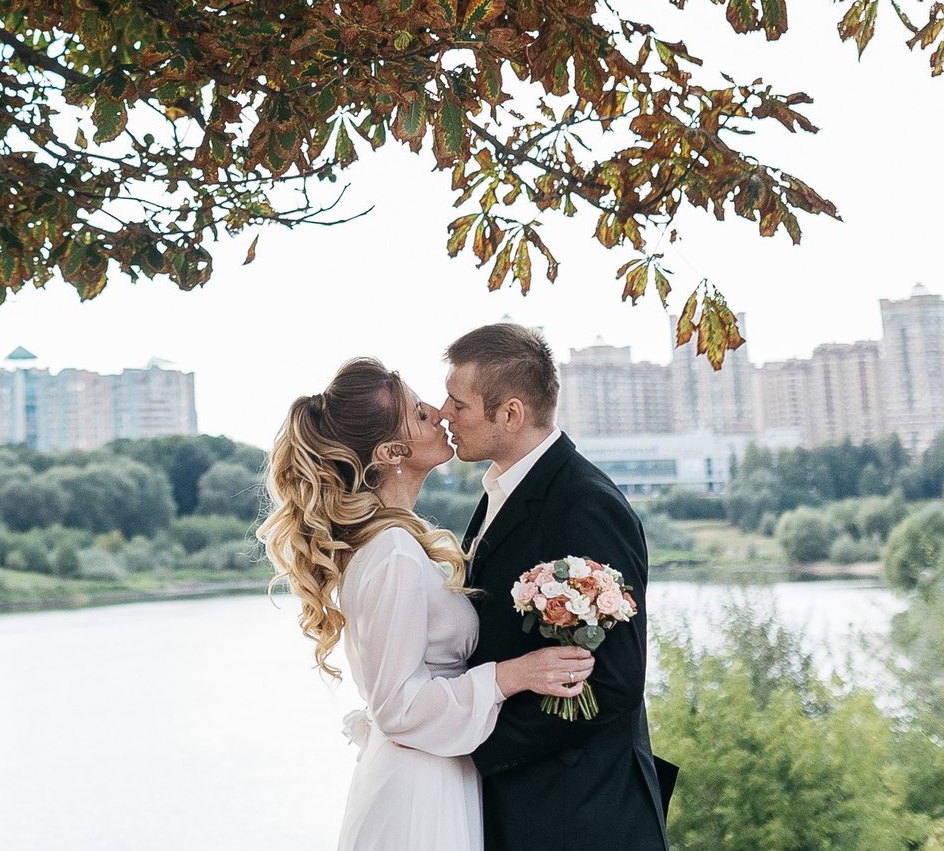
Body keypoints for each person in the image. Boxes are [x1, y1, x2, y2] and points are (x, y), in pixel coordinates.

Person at [261, 357, 598, 851]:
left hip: (435, 770)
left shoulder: (392, 543)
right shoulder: (392, 552)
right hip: (418, 791)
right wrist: (514, 675)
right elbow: (398, 706)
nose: (440, 414)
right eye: (421, 414)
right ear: (393, 452)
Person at [439, 323, 675, 851]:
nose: (444, 414)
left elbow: (614, 680)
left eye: (458, 403)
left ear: (510, 413)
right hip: (528, 807)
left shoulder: (586, 504)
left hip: (579, 813)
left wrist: (473, 745)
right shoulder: (504, 487)